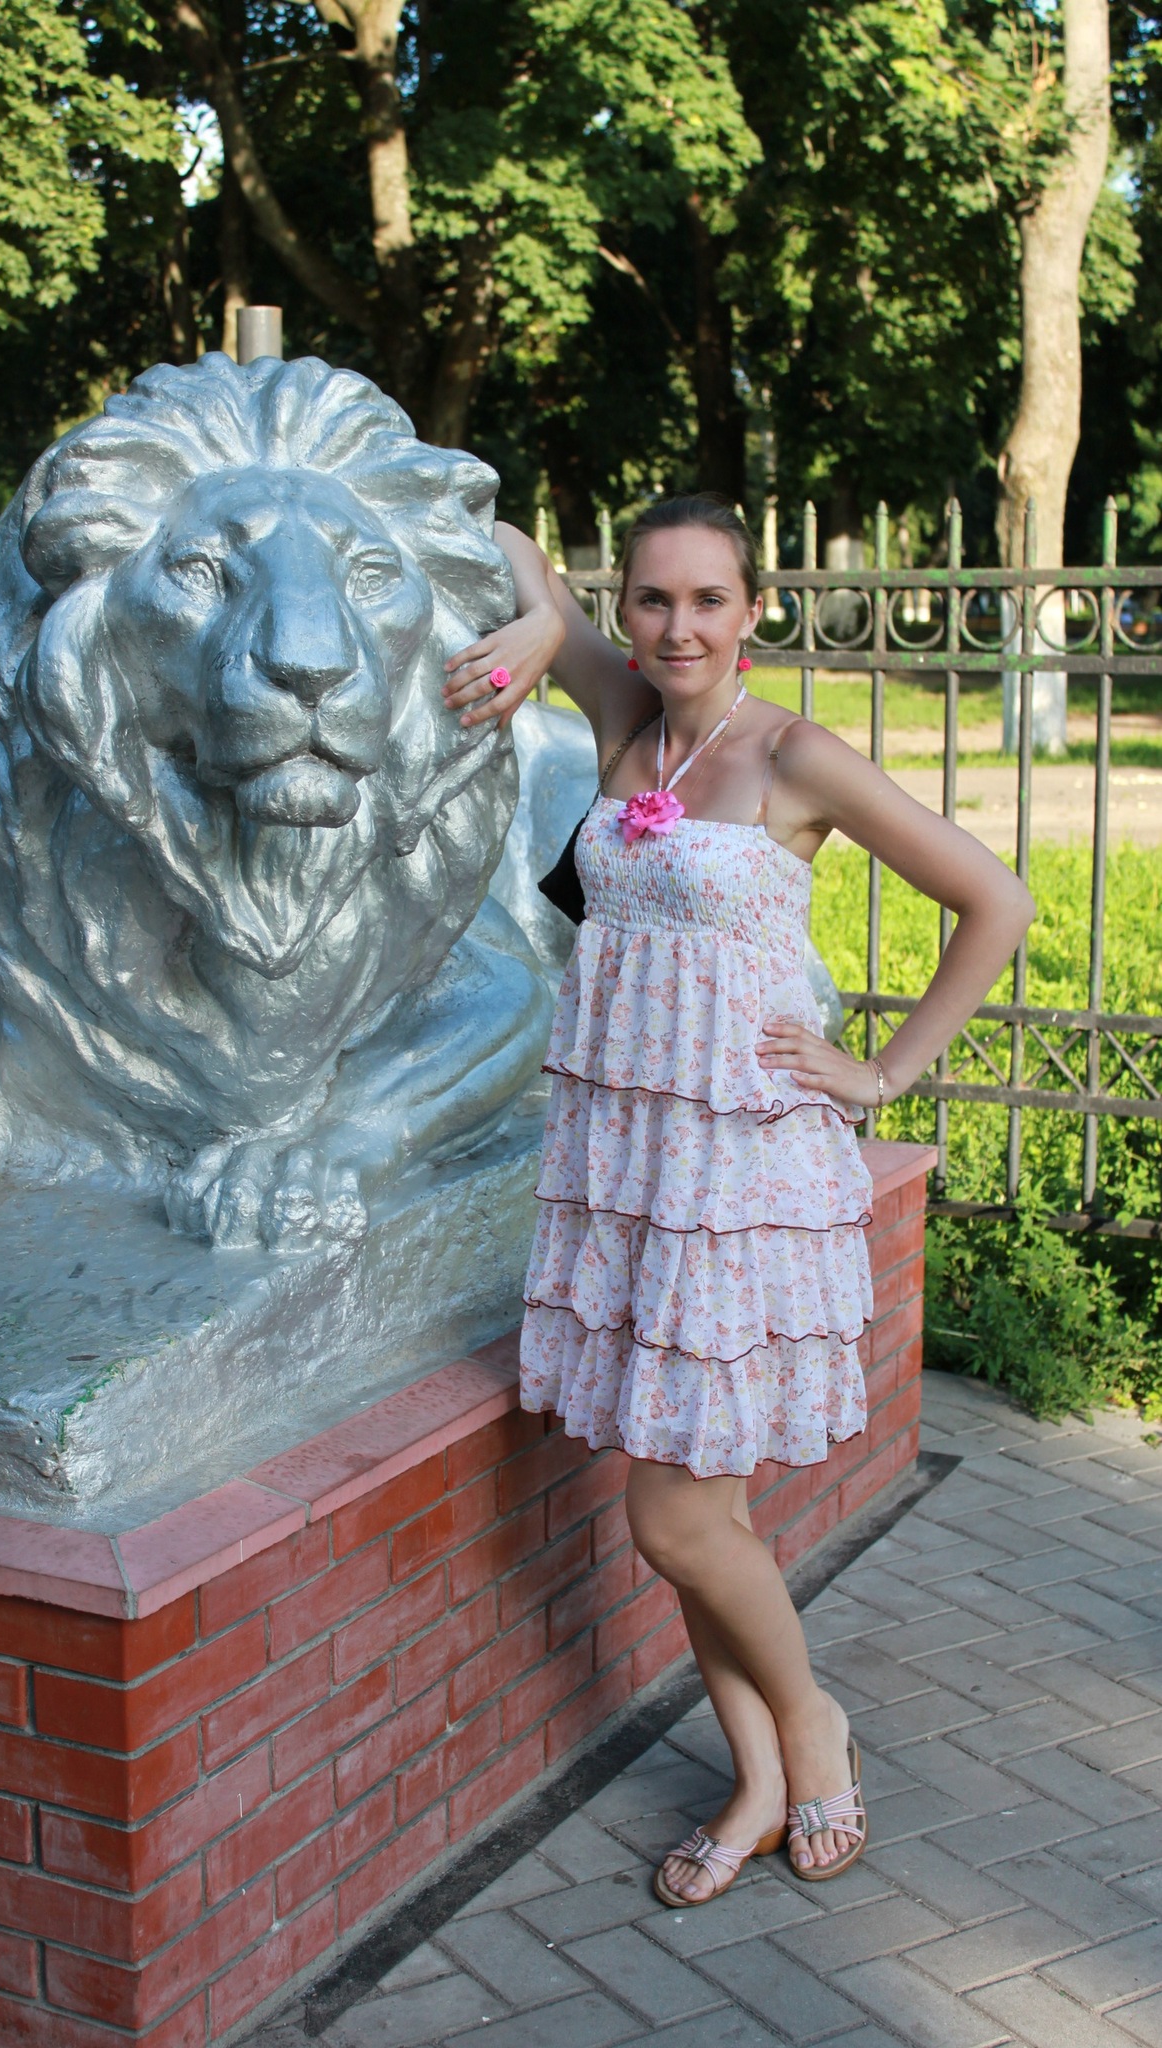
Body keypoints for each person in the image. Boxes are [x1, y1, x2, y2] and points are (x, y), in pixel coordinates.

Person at [441, 497, 1033, 1906]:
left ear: (754, 610)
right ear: (626, 608)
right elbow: (509, 539)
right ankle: (759, 1772)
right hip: (630, 1169)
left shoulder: (791, 755)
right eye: (651, 599)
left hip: (741, 1179)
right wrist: (543, 624)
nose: (678, 627)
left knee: (674, 1519)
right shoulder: (625, 718)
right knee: (697, 1506)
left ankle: (813, 1727)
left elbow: (995, 901)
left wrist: (881, 1073)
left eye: (708, 599)